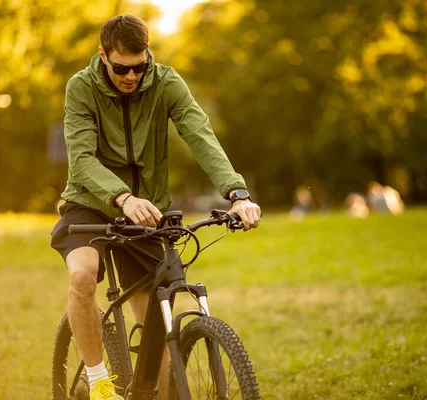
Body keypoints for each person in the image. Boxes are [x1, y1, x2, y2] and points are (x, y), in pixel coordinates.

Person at [50, 14, 261, 400]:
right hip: (91, 203)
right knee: (83, 276)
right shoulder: (80, 88)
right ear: (103, 56)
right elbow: (81, 160)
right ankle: (98, 382)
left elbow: (200, 134)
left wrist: (237, 193)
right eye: (120, 68)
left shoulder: (165, 82)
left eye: (139, 66)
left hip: (146, 210)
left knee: (157, 325)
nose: (131, 76)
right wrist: (123, 198)